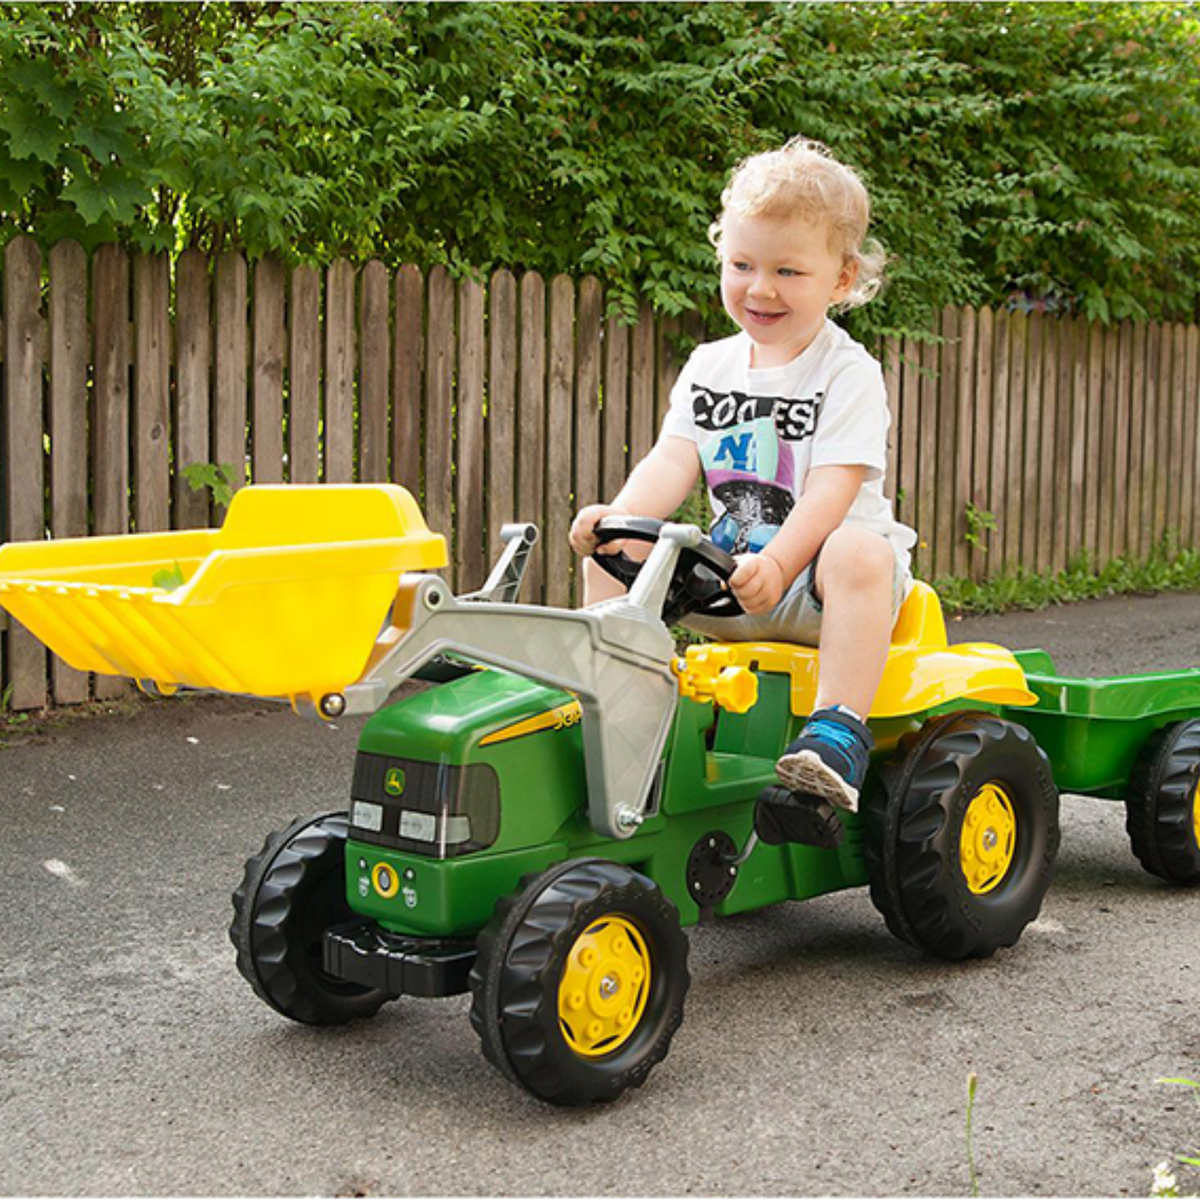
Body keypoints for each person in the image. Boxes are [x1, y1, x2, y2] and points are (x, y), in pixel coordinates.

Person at [568, 136, 916, 817]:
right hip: (738, 581)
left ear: (841, 280)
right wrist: (618, 518)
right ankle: (601, 704)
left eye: (789, 271)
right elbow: (672, 460)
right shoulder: (708, 365)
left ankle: (838, 730)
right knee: (614, 554)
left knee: (857, 548)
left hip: (820, 591)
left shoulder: (846, 373)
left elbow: (831, 490)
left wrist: (785, 563)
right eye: (742, 264)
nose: (760, 288)